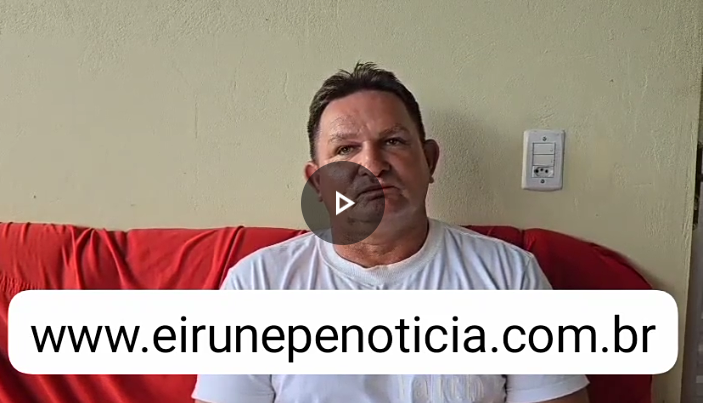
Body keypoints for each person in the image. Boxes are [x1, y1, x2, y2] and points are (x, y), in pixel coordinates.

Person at [192, 62, 590, 403]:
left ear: (430, 161)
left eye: (394, 141)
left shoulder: (510, 277)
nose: (373, 164)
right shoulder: (257, 286)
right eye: (346, 149)